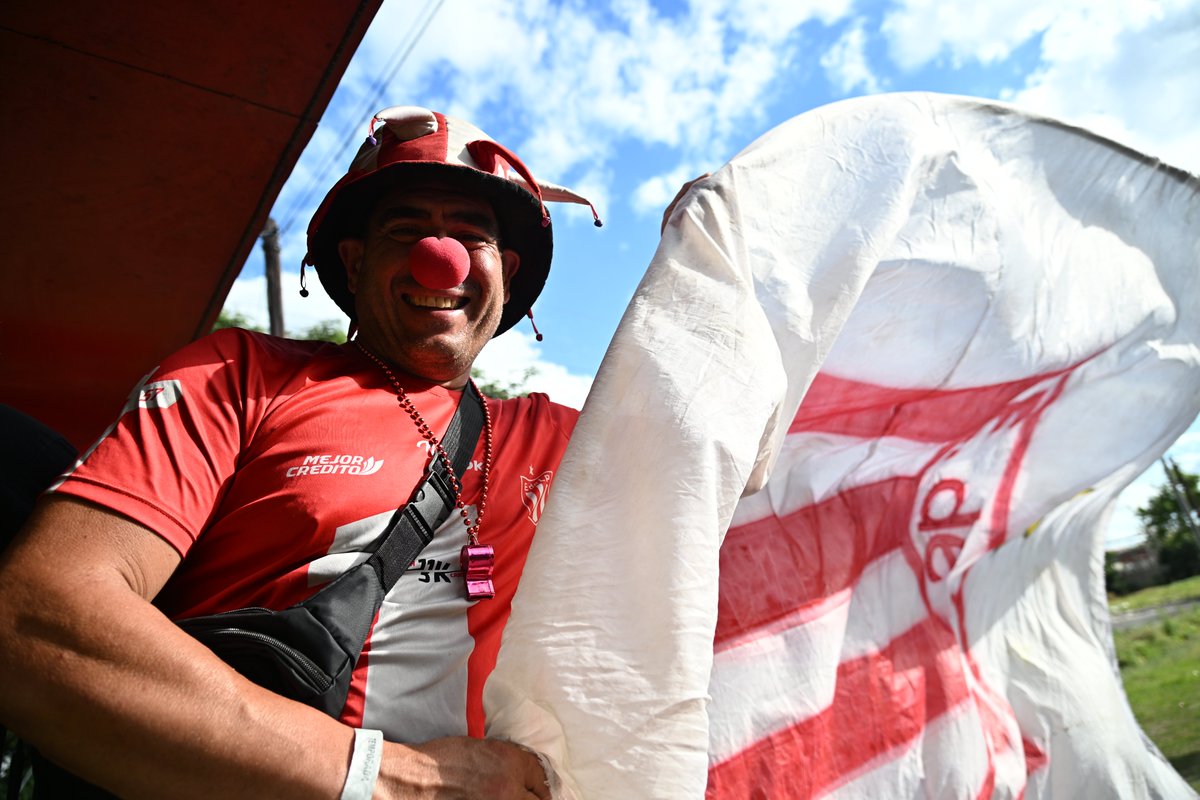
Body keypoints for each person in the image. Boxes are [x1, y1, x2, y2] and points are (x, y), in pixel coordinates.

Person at [0, 106, 598, 799]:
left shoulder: (571, 440)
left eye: (472, 235)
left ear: (507, 271)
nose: (442, 257)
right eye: (406, 230)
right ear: (355, 260)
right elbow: (33, 620)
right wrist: (385, 779)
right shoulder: (236, 376)